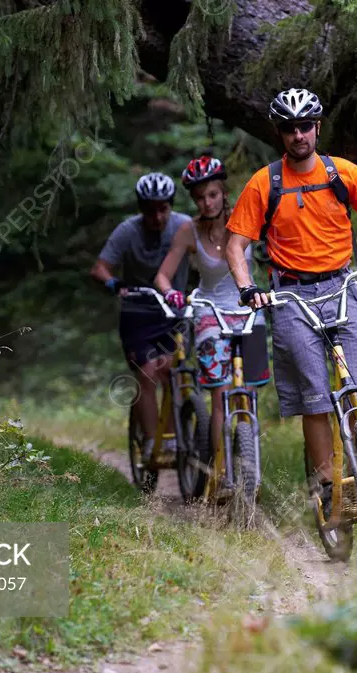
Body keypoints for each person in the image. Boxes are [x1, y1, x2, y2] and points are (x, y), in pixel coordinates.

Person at [223, 87, 357, 516]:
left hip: (342, 286)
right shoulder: (265, 183)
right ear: (280, 133)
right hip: (289, 295)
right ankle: (326, 484)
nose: (298, 134)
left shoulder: (341, 172)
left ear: (317, 128)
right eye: (289, 128)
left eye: (305, 126)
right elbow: (234, 246)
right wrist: (248, 288)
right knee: (314, 395)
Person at [155, 154, 271, 460]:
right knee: (220, 395)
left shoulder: (244, 221)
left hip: (247, 310)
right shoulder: (188, 232)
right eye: (199, 198)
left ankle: (249, 463)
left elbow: (270, 249)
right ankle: (219, 470)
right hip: (209, 312)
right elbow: (162, 277)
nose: (207, 203)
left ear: (224, 192)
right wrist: (172, 295)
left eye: (213, 195)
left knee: (250, 390)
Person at [91, 171, 191, 460]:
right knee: (147, 374)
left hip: (173, 312)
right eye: (150, 211)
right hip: (138, 311)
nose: (157, 217)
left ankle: (171, 439)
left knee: (172, 372)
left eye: (163, 209)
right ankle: (150, 442)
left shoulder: (184, 226)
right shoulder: (128, 230)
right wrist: (115, 284)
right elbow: (99, 268)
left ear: (170, 206)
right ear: (140, 208)